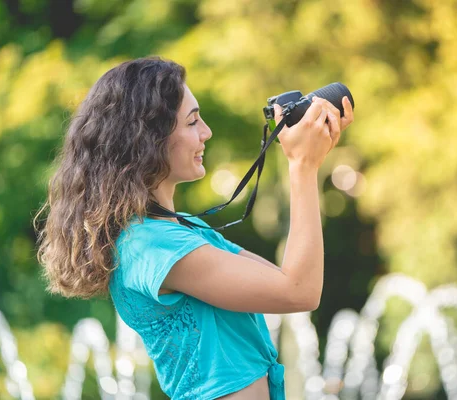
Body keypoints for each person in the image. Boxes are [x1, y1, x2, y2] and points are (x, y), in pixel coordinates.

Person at [34, 57, 354, 400]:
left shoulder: (183, 232)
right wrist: (303, 167)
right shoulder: (149, 245)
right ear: (148, 139)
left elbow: (289, 281)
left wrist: (307, 154)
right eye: (192, 122)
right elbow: (299, 291)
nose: (206, 132)